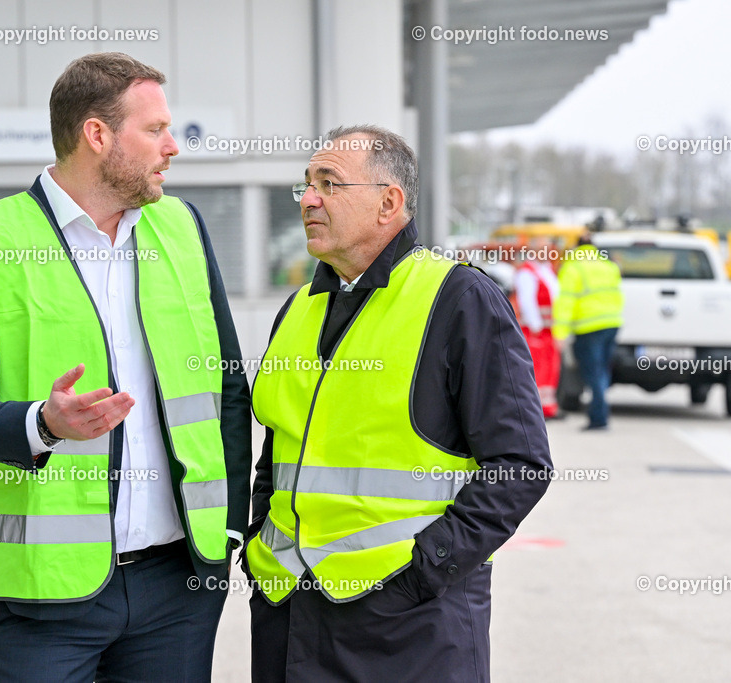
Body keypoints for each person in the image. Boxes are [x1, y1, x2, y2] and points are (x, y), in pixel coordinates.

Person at [0, 52, 252, 682]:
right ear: (97, 135)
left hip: (179, 586)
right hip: (45, 597)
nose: (172, 146)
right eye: (155, 129)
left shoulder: (182, 227)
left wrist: (229, 532)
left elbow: (226, 386)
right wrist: (42, 423)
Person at [243, 125, 553, 682]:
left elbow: (520, 465)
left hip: (407, 628)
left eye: (329, 184)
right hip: (288, 612)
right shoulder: (297, 310)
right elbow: (280, 449)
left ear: (389, 203)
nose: (308, 199)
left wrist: (420, 573)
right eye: (306, 185)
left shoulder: (459, 300)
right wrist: (257, 542)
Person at [552, 233, 624, 430]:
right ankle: (599, 412)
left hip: (588, 327)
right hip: (612, 324)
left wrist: (560, 332)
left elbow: (566, 301)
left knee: (592, 373)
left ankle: (599, 418)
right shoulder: (608, 265)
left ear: (577, 247)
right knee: (601, 370)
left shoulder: (573, 267)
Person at [512, 245, 562, 418]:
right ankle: (535, 409)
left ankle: (547, 406)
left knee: (549, 368)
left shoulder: (545, 270)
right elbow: (527, 302)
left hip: (548, 330)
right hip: (536, 331)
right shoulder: (527, 273)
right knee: (538, 369)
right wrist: (535, 326)